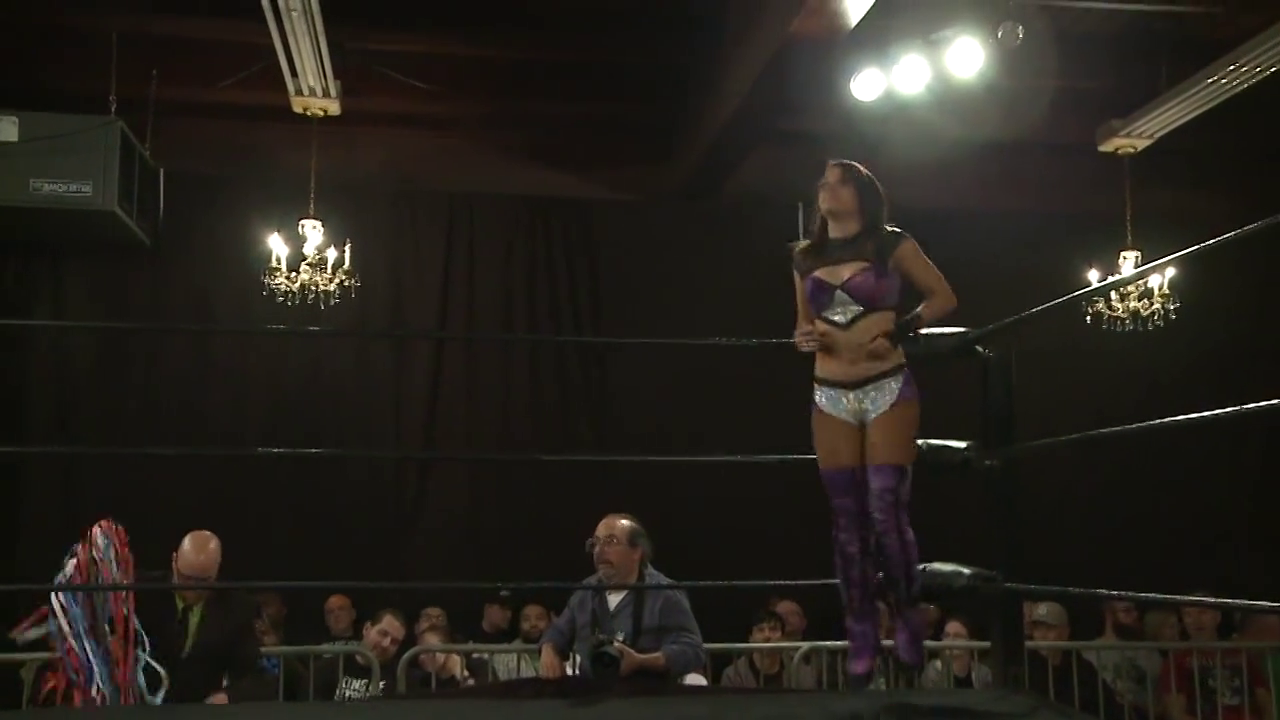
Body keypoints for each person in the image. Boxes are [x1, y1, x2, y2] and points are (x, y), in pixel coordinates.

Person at [790, 160, 956, 686]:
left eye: (839, 181)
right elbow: (801, 325)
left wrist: (901, 330)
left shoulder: (891, 243)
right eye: (823, 181)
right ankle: (860, 627)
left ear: (861, 193)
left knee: (886, 506)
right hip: (829, 392)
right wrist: (803, 337)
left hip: (886, 385)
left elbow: (943, 297)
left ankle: (907, 614)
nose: (827, 189)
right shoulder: (804, 256)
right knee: (847, 519)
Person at [538, 514, 704, 683]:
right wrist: (548, 648)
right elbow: (558, 631)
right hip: (591, 693)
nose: (599, 550)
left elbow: (692, 650)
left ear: (636, 551)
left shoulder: (664, 593)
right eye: (596, 543)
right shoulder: (585, 591)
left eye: (611, 541)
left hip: (647, 693)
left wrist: (641, 661)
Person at [134, 530, 271, 703]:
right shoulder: (140, 591)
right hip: (140, 708)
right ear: (174, 562)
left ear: (216, 571)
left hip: (201, 709)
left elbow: (258, 678)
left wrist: (228, 696)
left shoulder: (236, 608)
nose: (192, 588)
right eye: (185, 578)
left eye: (203, 582)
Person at [307, 608, 406, 701]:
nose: (386, 644)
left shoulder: (401, 678)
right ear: (367, 629)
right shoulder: (327, 669)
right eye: (383, 634)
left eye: (394, 642)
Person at [919, 616, 992, 689]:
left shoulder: (983, 672)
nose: (950, 640)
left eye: (957, 636)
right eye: (946, 635)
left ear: (972, 642)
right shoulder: (933, 670)